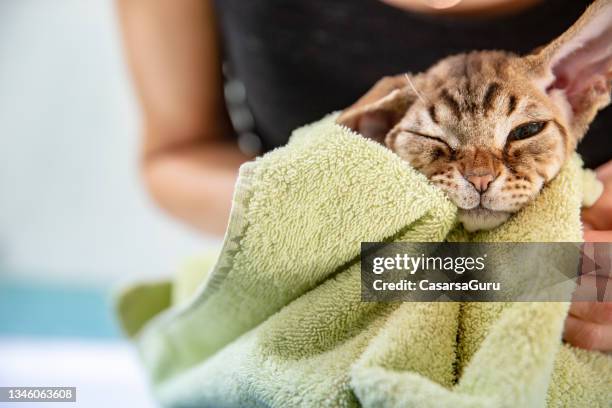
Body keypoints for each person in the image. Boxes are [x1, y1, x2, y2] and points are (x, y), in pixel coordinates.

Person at [116, 0, 612, 350]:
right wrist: (327, 202)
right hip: (316, 285)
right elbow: (177, 153)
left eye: (522, 130)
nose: (481, 176)